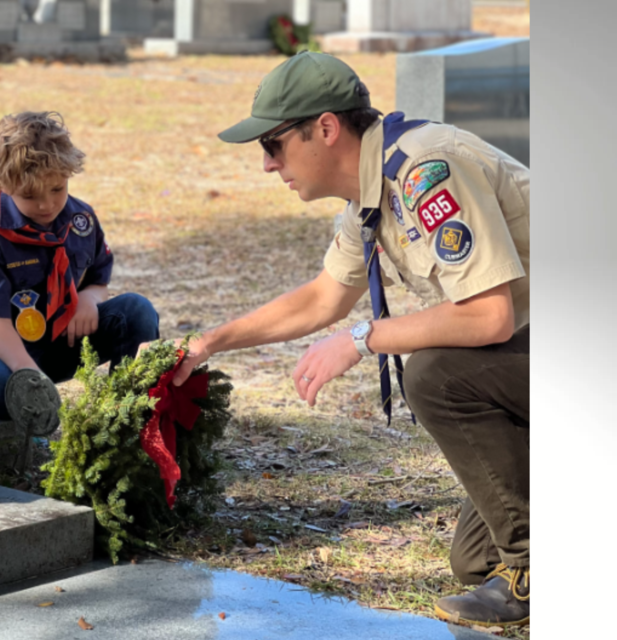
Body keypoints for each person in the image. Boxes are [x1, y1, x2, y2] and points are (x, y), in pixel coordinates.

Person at [171, 52, 530, 627]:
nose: (267, 165)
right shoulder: (371, 192)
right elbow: (322, 299)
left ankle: (533, 574)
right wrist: (208, 343)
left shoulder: (424, 169)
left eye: (273, 145)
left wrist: (364, 338)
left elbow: (489, 318)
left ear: (327, 128)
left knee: (435, 373)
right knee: (473, 560)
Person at [0, 111, 159, 434]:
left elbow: (98, 278)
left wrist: (88, 300)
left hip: (64, 336)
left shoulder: (80, 220)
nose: (46, 204)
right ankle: (31, 406)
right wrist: (27, 374)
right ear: (2, 185)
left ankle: (126, 414)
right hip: (7, 346)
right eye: (30, 196)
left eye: (57, 189)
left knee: (136, 311)